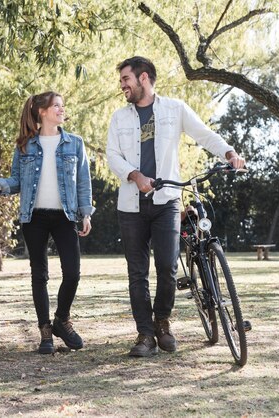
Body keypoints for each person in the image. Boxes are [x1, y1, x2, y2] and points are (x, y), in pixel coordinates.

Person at [106, 56, 245, 357]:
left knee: (168, 268)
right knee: (137, 272)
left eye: (126, 79)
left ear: (143, 78)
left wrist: (230, 153)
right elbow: (112, 156)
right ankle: (144, 335)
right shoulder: (120, 117)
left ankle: (162, 324)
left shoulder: (174, 109)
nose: (123, 86)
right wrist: (135, 175)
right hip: (131, 205)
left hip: (166, 201)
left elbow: (204, 134)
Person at [0, 91, 95, 354]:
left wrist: (85, 213)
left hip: (66, 216)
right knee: (39, 275)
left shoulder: (75, 143)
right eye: (57, 106)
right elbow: (16, 181)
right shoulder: (25, 145)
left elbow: (83, 182)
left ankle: (62, 320)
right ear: (42, 112)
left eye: (63, 106)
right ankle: (45, 332)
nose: (62, 110)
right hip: (35, 217)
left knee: (72, 273)